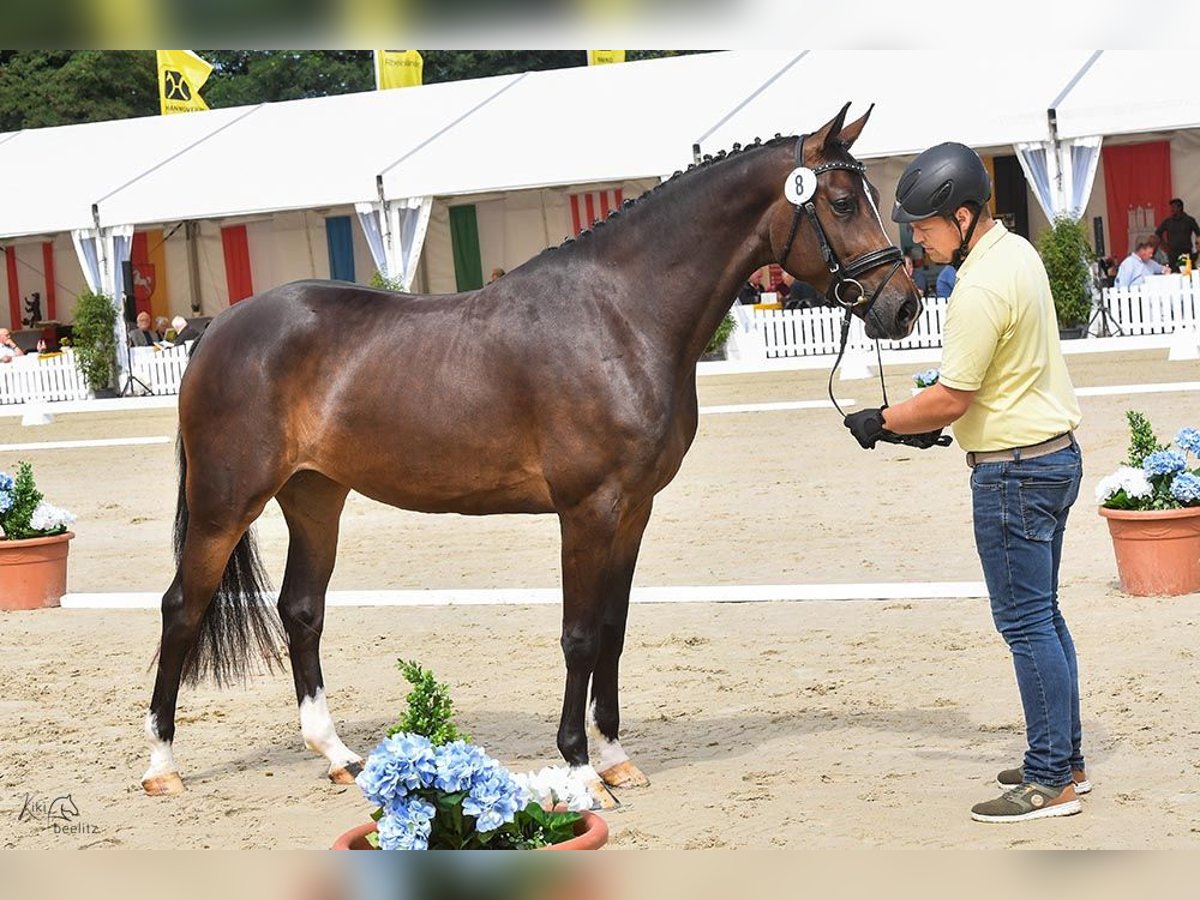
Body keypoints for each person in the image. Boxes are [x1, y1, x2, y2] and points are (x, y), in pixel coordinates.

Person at [843, 142, 1087, 824]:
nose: (916, 240)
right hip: (1051, 455)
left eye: (923, 227)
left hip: (1013, 471)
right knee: (1046, 616)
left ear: (962, 214)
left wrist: (883, 419)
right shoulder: (1017, 254)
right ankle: (1066, 759)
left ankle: (1050, 781)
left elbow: (953, 397)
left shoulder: (978, 285)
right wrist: (927, 414)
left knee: (1025, 623)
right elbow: (989, 379)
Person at [1154, 198, 1200, 272]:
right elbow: (1158, 233)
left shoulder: (1189, 220)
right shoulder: (1168, 221)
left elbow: (1198, 234)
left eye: (1173, 207)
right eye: (1171, 207)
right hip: (1173, 254)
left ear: (1180, 207)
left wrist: (1197, 249)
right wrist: (1164, 245)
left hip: (1186, 253)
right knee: (1173, 275)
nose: (1171, 209)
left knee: (1186, 274)